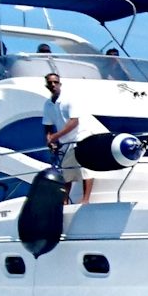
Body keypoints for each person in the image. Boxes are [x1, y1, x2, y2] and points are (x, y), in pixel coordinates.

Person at [42, 73, 93, 204]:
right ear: (46, 85)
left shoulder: (68, 99)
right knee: (67, 173)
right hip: (66, 142)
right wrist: (49, 140)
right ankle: (64, 201)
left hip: (80, 137)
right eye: (50, 83)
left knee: (85, 169)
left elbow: (74, 122)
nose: (53, 85)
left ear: (60, 84)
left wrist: (55, 136)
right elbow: (47, 126)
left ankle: (85, 199)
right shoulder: (48, 104)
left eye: (55, 82)